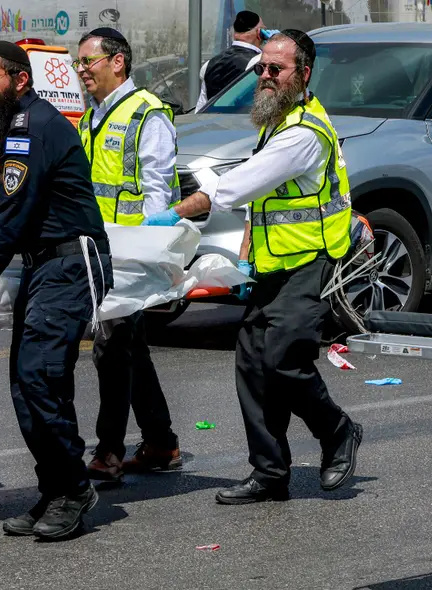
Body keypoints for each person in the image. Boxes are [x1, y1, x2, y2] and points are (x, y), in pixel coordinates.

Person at [144, 30, 363, 504]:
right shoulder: (277, 124)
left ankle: (338, 431)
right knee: (252, 364)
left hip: (308, 263)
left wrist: (176, 211)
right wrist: (245, 259)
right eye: (261, 67)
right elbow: (260, 206)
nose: (264, 76)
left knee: (284, 359)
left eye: (275, 69)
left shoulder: (303, 134)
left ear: (302, 75)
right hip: (270, 264)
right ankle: (269, 473)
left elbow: (235, 187)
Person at [0, 40, 112, 540]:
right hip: (44, 266)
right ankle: (53, 488)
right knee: (28, 388)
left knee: (40, 378)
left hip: (69, 264)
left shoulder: (31, 127)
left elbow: (12, 214)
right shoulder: (18, 125)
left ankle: (74, 488)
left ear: (19, 80)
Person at [73, 28, 182, 483]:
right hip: (99, 251)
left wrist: (153, 256)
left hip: (132, 254)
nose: (81, 71)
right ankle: (160, 441)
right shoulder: (90, 118)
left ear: (117, 62)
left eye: (88, 62)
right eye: (79, 63)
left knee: (112, 347)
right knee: (129, 347)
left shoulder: (147, 114)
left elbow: (157, 188)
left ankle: (109, 451)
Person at [195, 11, 276, 111]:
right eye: (264, 29)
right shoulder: (258, 62)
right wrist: (277, 42)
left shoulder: (208, 64)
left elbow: (201, 107)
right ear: (260, 33)